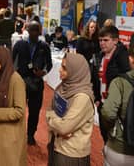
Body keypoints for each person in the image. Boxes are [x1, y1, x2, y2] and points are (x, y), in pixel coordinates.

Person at [46, 53, 94, 166]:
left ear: (75, 71)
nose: (59, 70)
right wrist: (54, 120)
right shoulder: (62, 87)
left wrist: (51, 119)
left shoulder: (83, 97)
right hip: (56, 145)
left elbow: (64, 127)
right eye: (61, 66)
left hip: (71, 154)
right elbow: (48, 111)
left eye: (64, 68)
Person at [13, 21, 52, 145]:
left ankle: (30, 134)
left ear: (40, 31)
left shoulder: (44, 46)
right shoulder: (19, 44)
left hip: (37, 84)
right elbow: (12, 61)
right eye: (32, 30)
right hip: (21, 82)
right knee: (18, 110)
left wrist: (43, 72)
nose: (34, 33)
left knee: (35, 111)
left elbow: (49, 64)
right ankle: (17, 133)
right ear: (27, 30)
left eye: (37, 30)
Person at [100, 35, 134, 166]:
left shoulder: (120, 83)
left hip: (121, 148)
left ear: (130, 58)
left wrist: (112, 130)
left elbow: (108, 113)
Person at [97, 26, 130, 143]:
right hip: (101, 103)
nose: (102, 43)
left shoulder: (122, 56)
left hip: (115, 105)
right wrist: (97, 98)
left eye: (106, 40)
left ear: (115, 41)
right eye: (100, 40)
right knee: (103, 132)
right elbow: (96, 79)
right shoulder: (100, 55)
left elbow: (126, 81)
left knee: (115, 137)